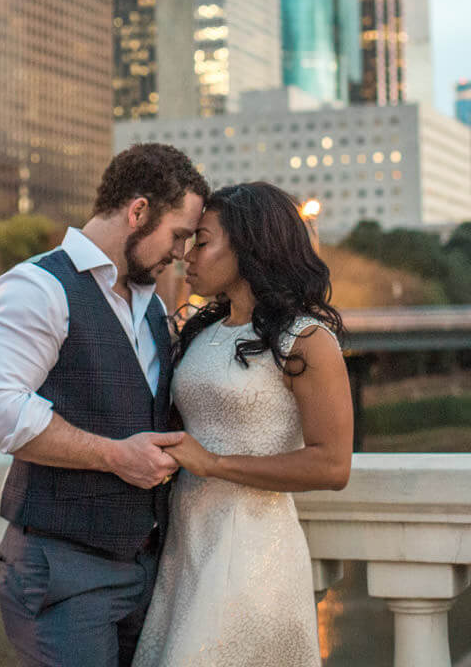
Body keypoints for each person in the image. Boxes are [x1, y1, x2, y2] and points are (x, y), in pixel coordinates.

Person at [0, 144, 209, 667]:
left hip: (146, 575)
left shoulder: (151, 306)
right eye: (179, 235)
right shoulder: (36, 287)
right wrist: (114, 455)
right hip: (62, 576)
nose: (182, 253)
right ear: (138, 212)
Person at [133, 181, 353, 667]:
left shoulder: (307, 338)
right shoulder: (201, 332)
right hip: (184, 545)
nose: (187, 256)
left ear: (250, 245)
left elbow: (332, 465)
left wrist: (212, 463)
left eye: (203, 242)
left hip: (252, 548)